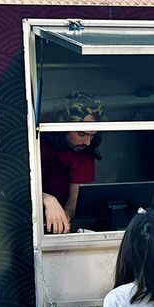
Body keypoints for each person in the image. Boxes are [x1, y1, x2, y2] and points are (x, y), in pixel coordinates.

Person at [40, 92, 104, 234]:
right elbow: (15, 187)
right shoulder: (36, 142)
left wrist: (65, 218)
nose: (87, 142)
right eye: (81, 134)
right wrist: (47, 199)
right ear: (64, 126)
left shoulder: (85, 153)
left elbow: (74, 199)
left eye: (92, 136)